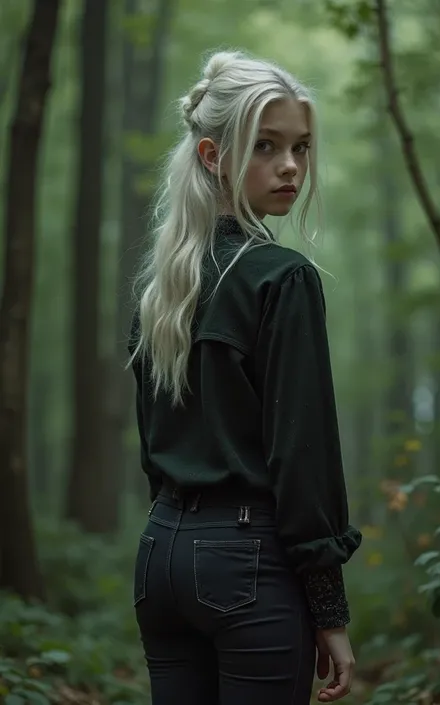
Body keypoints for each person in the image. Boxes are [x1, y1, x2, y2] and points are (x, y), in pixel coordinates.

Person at [128, 49, 362, 705]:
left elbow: (155, 443)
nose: (290, 166)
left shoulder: (161, 288)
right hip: (246, 563)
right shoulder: (283, 279)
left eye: (301, 147)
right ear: (213, 155)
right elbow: (303, 454)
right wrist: (330, 609)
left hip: (160, 558)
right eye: (266, 145)